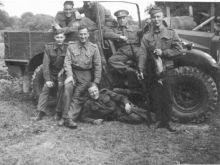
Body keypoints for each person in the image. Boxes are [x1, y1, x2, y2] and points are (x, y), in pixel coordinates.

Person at [137, 6, 183, 132]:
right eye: (153, 17)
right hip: (153, 70)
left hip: (167, 69)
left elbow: (179, 50)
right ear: (150, 19)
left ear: (162, 17)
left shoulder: (171, 33)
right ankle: (158, 120)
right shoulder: (146, 37)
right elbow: (142, 54)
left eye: (158, 17)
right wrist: (140, 69)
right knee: (156, 96)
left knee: (168, 96)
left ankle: (168, 122)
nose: (156, 19)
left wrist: (163, 52)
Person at [59, 25, 102, 129]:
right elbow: (67, 62)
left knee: (78, 94)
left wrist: (95, 82)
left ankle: (69, 118)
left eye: (85, 34)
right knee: (67, 88)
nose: (83, 36)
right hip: (72, 72)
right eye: (81, 34)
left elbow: (98, 65)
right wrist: (69, 75)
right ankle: (64, 116)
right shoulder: (71, 46)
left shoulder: (94, 48)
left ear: (88, 35)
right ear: (78, 35)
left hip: (85, 74)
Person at [35, 32, 68, 121]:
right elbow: (45, 65)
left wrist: (62, 74)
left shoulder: (67, 48)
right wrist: (47, 80)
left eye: (61, 37)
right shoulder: (48, 48)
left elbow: (68, 63)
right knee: (45, 88)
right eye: (57, 37)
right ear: (54, 38)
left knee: (61, 88)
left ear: (64, 38)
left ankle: (58, 112)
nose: (59, 39)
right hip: (52, 73)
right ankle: (41, 111)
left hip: (62, 73)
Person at [81, 83, 149, 125]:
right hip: (117, 116)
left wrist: (126, 104)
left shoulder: (105, 92)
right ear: (89, 93)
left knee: (135, 109)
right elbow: (84, 117)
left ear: (98, 89)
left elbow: (121, 97)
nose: (94, 93)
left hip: (121, 107)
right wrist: (93, 121)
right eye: (91, 92)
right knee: (137, 119)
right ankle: (150, 117)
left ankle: (154, 117)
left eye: (95, 91)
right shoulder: (88, 103)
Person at [103, 9, 140, 86]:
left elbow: (142, 32)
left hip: (136, 48)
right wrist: (119, 36)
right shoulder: (115, 30)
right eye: (120, 18)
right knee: (111, 60)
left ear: (127, 18)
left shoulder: (135, 27)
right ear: (117, 19)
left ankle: (145, 77)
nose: (122, 20)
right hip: (123, 51)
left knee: (144, 58)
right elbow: (105, 34)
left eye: (123, 18)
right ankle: (130, 70)